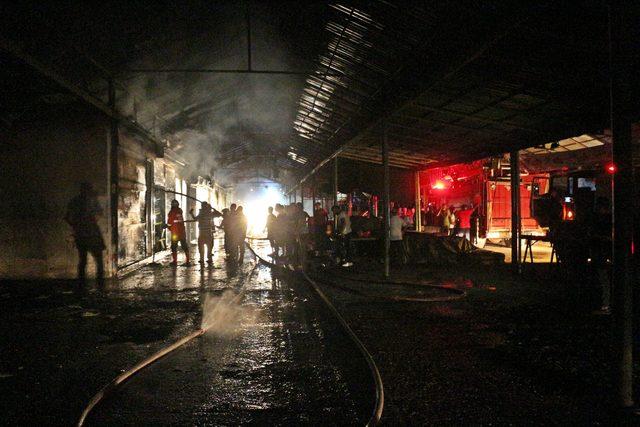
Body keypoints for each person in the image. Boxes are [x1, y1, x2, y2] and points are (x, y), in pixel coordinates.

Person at [65, 182, 105, 282]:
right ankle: (99, 282)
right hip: (92, 233)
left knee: (83, 260)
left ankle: (82, 283)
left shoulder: (75, 201)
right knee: (97, 260)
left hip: (82, 233)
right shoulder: (91, 201)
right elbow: (99, 213)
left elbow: (67, 217)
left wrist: (75, 226)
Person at [590, 197, 612, 314]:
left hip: (600, 253)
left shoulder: (599, 220)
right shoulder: (608, 219)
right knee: (603, 279)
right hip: (602, 253)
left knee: (603, 279)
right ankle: (605, 304)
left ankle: (605, 304)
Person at [166, 199, 190, 265]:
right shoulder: (180, 211)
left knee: (174, 246)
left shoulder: (171, 212)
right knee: (184, 246)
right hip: (182, 233)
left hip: (175, 233)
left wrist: (167, 226)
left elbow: (169, 223)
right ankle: (188, 261)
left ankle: (175, 261)